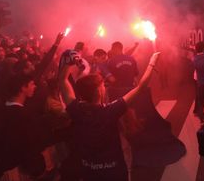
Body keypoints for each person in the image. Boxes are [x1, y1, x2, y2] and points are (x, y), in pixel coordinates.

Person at [58, 52, 160, 181]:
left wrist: (67, 62)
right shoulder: (110, 111)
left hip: (89, 173)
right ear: (99, 91)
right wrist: (152, 62)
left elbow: (62, 81)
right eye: (102, 86)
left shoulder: (75, 110)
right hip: (114, 173)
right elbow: (141, 87)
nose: (104, 88)